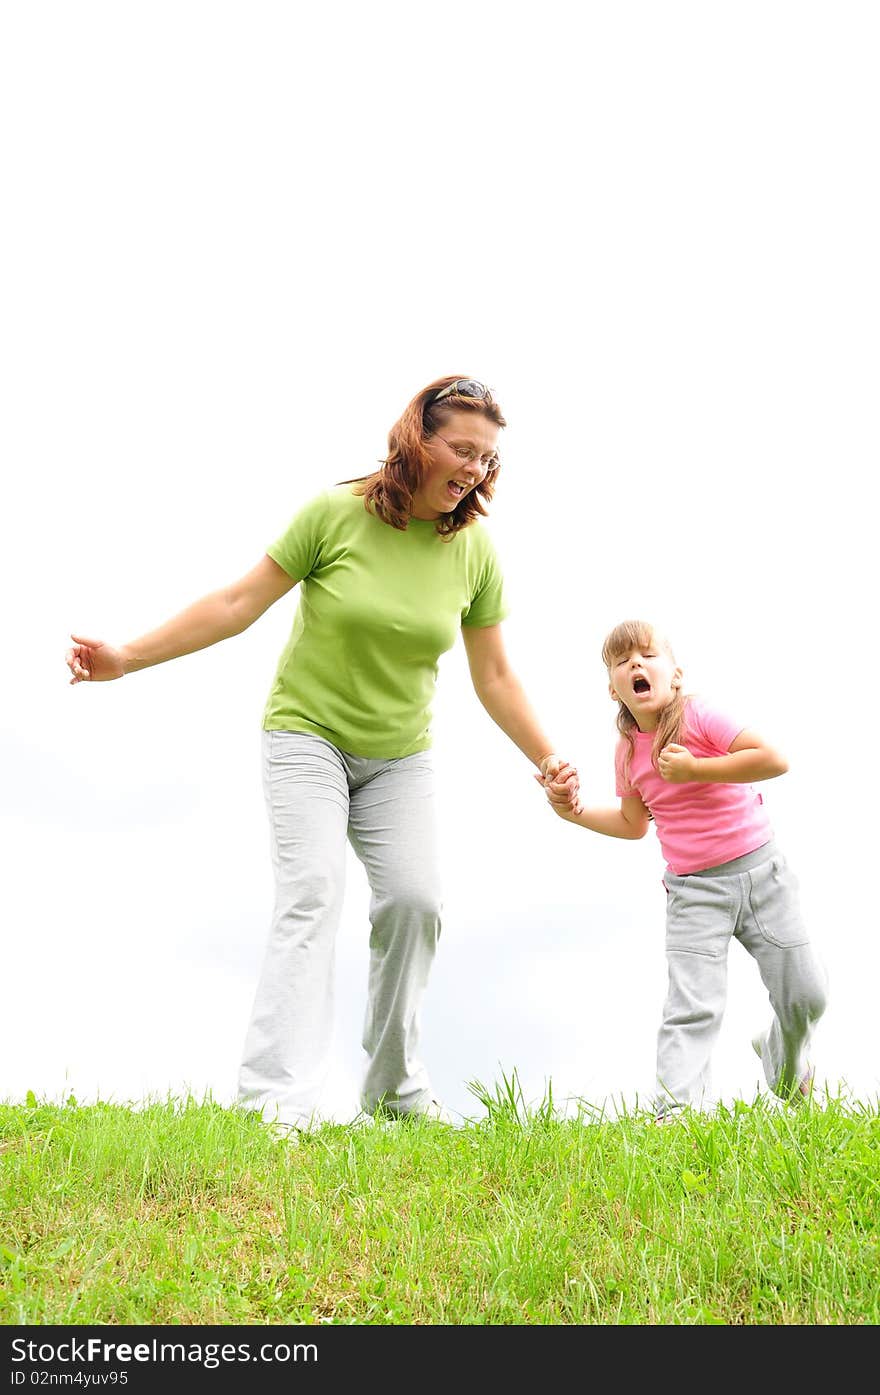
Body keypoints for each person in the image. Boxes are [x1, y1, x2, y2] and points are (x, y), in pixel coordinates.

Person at [66, 375, 576, 1133]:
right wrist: (126, 656)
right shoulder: (334, 515)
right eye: (462, 449)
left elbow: (495, 675)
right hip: (308, 737)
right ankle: (273, 1101)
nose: (473, 469)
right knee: (313, 891)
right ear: (419, 439)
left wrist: (548, 760)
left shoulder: (472, 550)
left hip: (399, 756)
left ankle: (394, 1090)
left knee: (416, 902)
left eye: (487, 458)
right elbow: (237, 605)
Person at [539, 618, 828, 1121]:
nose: (636, 664)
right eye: (623, 660)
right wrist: (572, 811)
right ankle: (675, 1116)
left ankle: (783, 1059)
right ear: (614, 689)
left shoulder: (700, 716)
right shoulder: (627, 752)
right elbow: (633, 824)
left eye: (648, 654)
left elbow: (773, 759)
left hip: (765, 877)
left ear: (675, 675)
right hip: (696, 893)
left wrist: (698, 768)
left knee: (807, 994)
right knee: (693, 1007)